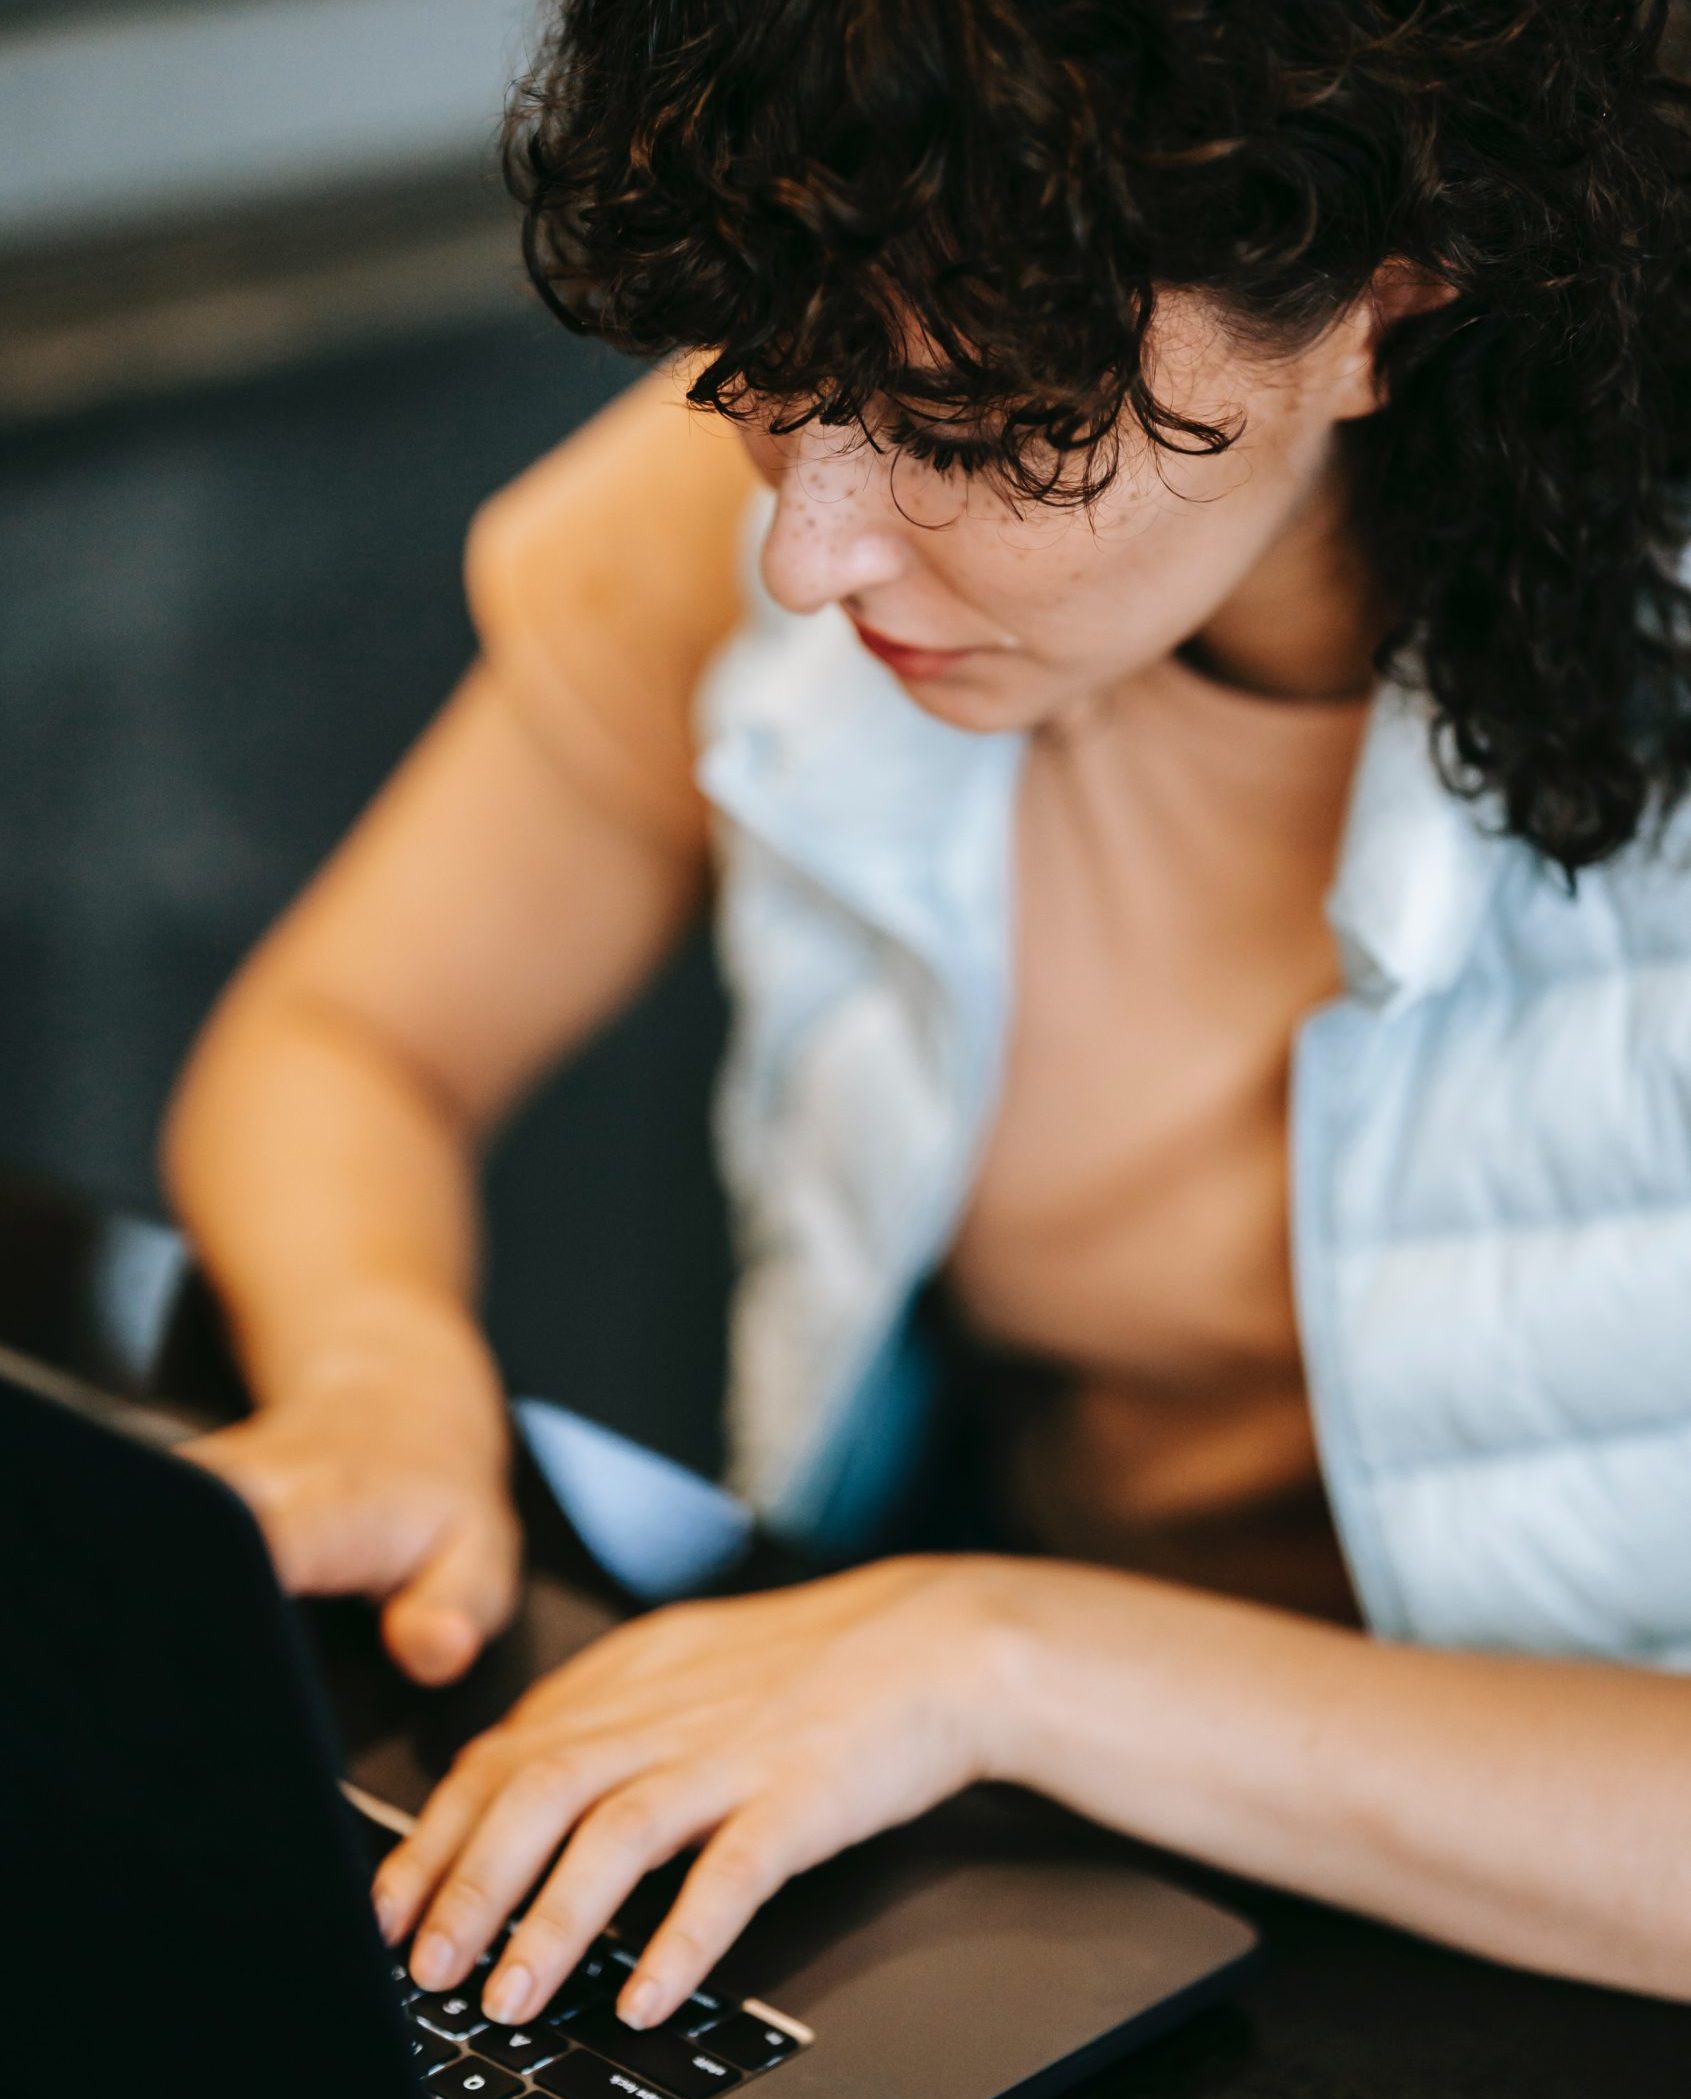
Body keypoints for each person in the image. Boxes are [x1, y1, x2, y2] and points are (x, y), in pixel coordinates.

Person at [162, 0, 1691, 2039]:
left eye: (980, 431)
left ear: (1377, 299)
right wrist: (373, 1375)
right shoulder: (803, 465)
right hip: (1032, 1860)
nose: (808, 555)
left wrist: (995, 1660)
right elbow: (351, 1039)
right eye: (762, 388)